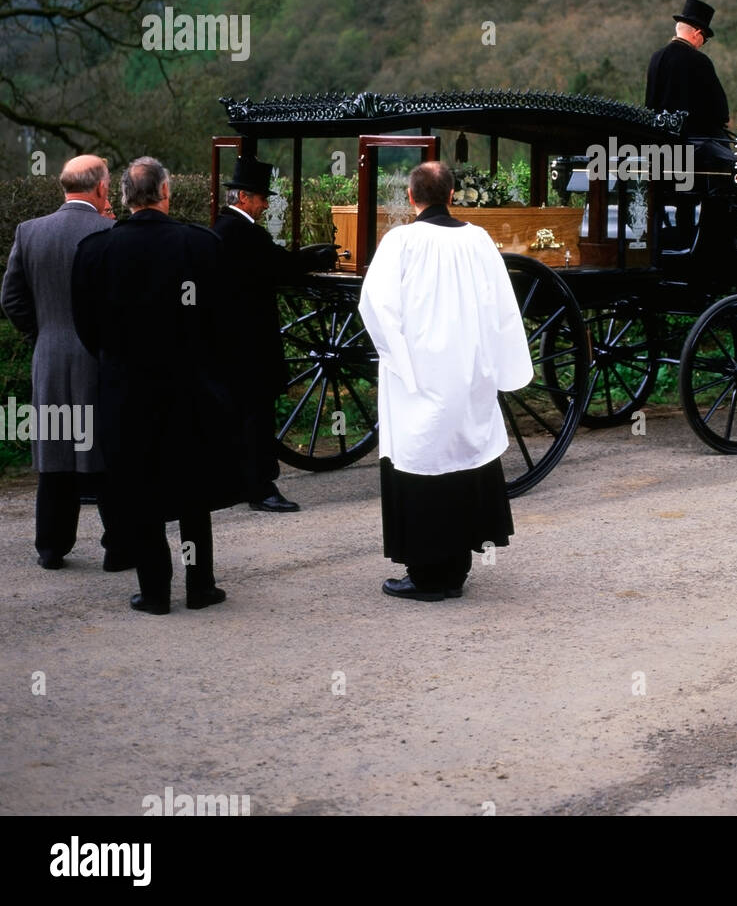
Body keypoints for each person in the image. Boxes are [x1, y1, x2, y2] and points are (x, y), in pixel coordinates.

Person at [71, 157, 246, 615]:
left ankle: (154, 590)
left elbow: (87, 328)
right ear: (166, 192)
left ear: (124, 196)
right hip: (188, 387)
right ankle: (200, 585)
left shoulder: (96, 251)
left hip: (126, 388)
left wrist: (117, 363)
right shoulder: (201, 245)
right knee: (191, 490)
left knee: (138, 488)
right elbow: (224, 322)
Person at [358, 161, 532, 602]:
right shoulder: (478, 240)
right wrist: (496, 366)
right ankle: (455, 569)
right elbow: (502, 310)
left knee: (422, 463)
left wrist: (400, 361)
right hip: (468, 372)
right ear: (452, 195)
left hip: (418, 376)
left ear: (412, 198)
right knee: (464, 460)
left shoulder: (400, 241)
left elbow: (376, 307)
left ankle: (426, 574)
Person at [0, 154, 131, 571]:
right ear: (102, 188)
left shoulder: (30, 231)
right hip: (101, 359)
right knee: (107, 456)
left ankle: (51, 548)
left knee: (55, 457)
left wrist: (44, 335)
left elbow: (12, 299)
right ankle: (119, 547)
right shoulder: (113, 232)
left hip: (51, 358)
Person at [211, 154, 336, 513]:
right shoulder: (245, 233)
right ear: (245, 198)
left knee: (241, 412)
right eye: (262, 197)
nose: (266, 204)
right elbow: (281, 267)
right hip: (250, 341)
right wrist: (319, 258)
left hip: (229, 339)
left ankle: (239, 480)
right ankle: (261, 486)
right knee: (257, 414)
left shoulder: (221, 229)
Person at [645, 0, 735, 240]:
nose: (702, 44)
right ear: (697, 32)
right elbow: (720, 111)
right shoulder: (699, 61)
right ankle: (711, 236)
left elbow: (650, 105)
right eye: (703, 39)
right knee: (728, 164)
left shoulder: (656, 58)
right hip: (694, 151)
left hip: (661, 147)